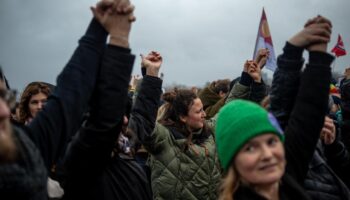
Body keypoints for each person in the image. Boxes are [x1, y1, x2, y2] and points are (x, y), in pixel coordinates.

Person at [0, 0, 134, 198]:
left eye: (3, 96)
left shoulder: (23, 147)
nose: (3, 111)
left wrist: (108, 33)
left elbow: (71, 94)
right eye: (34, 102)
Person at [216, 15, 333, 200]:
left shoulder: (288, 178)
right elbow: (282, 106)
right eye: (250, 148)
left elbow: (309, 113)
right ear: (232, 161)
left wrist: (314, 53)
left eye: (272, 142)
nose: (268, 155)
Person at [129, 51, 221, 199]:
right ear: (183, 117)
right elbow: (144, 119)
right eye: (199, 111)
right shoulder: (164, 138)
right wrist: (151, 74)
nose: (204, 114)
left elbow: (230, 108)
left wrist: (249, 79)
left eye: (203, 109)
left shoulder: (209, 131)